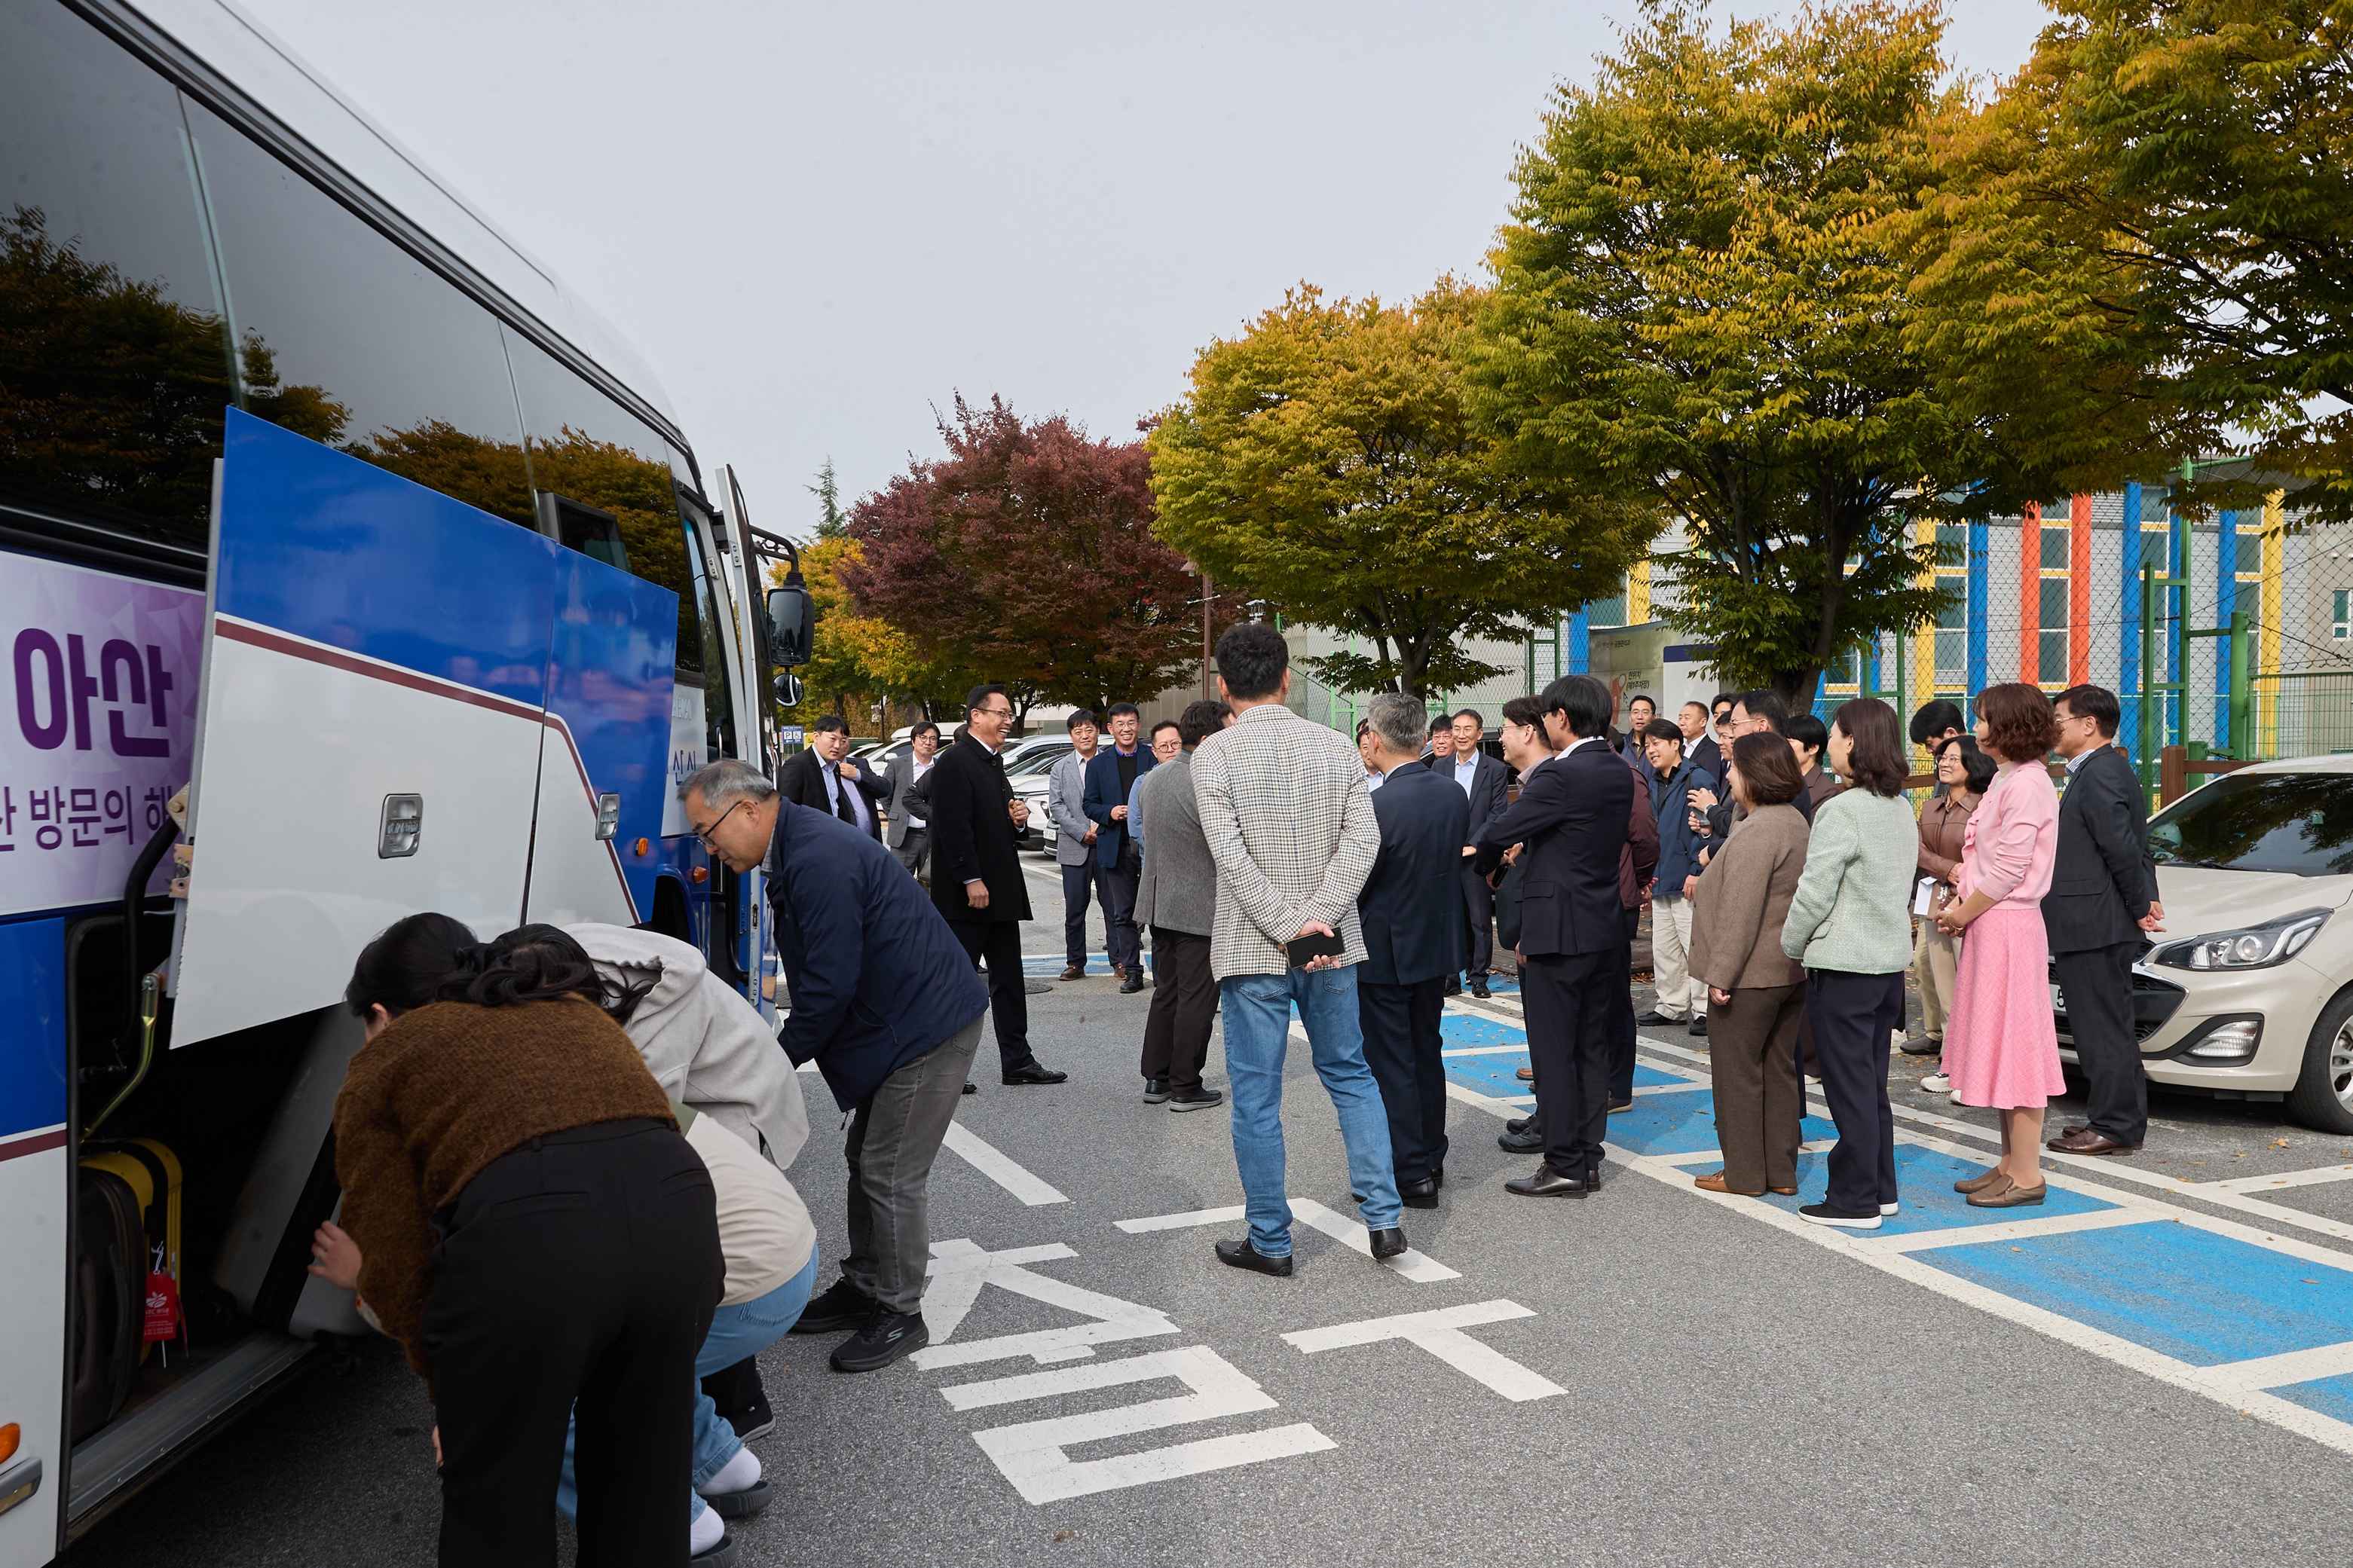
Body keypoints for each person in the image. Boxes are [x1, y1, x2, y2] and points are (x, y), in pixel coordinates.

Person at [330, 913, 724, 1566]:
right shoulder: (568, 1009)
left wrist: (447, 1390)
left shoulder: (390, 1056)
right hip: (680, 1224)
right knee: (642, 1494)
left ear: (380, 1012)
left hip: (534, 1245)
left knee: (499, 1514)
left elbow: (392, 1252)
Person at [683, 759, 992, 1373]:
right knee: (866, 1160)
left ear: (747, 809)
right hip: (898, 1019)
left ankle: (900, 1311)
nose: (709, 848)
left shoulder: (817, 856)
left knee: (890, 1169)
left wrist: (764, 1065)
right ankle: (866, 1285)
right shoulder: (796, 843)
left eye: (707, 831)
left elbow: (828, 987)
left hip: (928, 1024)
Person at [1191, 622, 1406, 1273]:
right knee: (1350, 1072)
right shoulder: (1337, 746)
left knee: (1257, 1095)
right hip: (1333, 942)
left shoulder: (1214, 755)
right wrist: (1318, 917)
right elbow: (1363, 841)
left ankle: (1271, 1240)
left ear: (1223, 685)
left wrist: (1287, 924)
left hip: (1255, 946)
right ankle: (1385, 1218)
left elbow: (1230, 857)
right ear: (1286, 678)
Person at [556, 921, 809, 1443]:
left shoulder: (662, 1000)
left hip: (735, 1100)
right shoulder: (586, 964)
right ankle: (715, 1426)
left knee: (714, 1257)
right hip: (712, 1096)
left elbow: (638, 1125)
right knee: (705, 1264)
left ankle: (738, 1407)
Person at [1475, 674, 1631, 1197]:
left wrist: (1491, 856)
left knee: (1553, 1050)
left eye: (1546, 715)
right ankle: (1586, 1155)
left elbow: (1500, 830)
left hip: (1557, 930)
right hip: (1601, 925)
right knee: (1590, 1046)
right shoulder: (1614, 766)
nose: (1543, 724)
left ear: (1561, 717)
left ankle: (1563, 1160)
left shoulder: (1561, 775)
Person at [1780, 698, 1918, 1231]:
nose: (1832, 741)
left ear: (1853, 743)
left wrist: (1792, 943)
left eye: (1837, 734)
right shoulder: (1899, 805)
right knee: (1870, 1083)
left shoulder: (1840, 809)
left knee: (1847, 1086)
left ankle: (1856, 1197)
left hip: (1844, 966)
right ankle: (1881, 1187)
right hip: (1885, 966)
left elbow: (1815, 891)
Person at [1935, 684, 2067, 1206]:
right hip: (1994, 923)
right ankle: (2011, 1162)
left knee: (2019, 1046)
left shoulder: (2028, 783)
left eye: (1985, 719)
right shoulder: (2010, 778)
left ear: (2010, 724)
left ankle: (2028, 1173)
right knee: (2001, 1042)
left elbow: (2012, 867)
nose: (1977, 729)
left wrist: (1962, 912)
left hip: (2008, 925)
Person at [1356, 692, 1470, 1207]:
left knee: (1391, 1061)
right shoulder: (1452, 795)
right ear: (1424, 738)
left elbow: (1359, 881)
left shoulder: (1376, 805)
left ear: (1375, 740)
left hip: (1384, 947)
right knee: (1427, 1050)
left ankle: (1410, 1170)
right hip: (1436, 940)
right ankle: (1431, 1155)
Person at [1685, 735, 1812, 1197]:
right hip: (1787, 969)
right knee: (1778, 1070)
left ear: (1753, 775)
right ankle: (1780, 1171)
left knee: (1737, 1075)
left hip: (1751, 974)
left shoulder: (1760, 831)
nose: (1728, 778)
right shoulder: (1793, 821)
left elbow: (1741, 910)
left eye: (1734, 770)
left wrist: (1721, 973)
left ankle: (1742, 1172)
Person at [926, 687, 1070, 1084]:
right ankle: (943, 1069)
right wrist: (970, 877)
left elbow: (996, 822)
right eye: (1001, 713)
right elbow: (953, 829)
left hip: (1000, 891)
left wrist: (1018, 819)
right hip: (967, 895)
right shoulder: (955, 761)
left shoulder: (993, 763)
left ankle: (1017, 1061)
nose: (1008, 720)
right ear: (975, 715)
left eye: (1009, 714)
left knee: (1008, 979)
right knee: (957, 983)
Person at [2044, 684, 2164, 1155]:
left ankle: (2116, 1125)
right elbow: (2137, 843)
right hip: (2094, 920)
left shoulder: (2101, 773)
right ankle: (2112, 1118)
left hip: (2095, 924)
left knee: (2102, 1029)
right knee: (2103, 1026)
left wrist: (2140, 906)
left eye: (2061, 719)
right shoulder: (2100, 771)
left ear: (2088, 724)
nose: (2054, 728)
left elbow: (2123, 847)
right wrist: (2146, 898)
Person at [1133, 701, 1230, 1112]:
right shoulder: (1205, 776)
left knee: (1166, 991)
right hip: (1198, 902)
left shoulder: (1154, 778)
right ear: (1208, 737)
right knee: (1197, 997)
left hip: (1158, 898)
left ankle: (1158, 1076)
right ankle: (1186, 1083)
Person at [1905, 738, 1993, 1062]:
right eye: (1943, 757)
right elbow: (1916, 849)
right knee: (1939, 977)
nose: (1944, 763)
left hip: (1971, 902)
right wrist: (1948, 868)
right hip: (1935, 898)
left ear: (1973, 763)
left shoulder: (1984, 806)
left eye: (1954, 758)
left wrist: (1962, 874)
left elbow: (1987, 854)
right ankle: (1950, 1051)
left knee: (1969, 979)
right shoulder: (1930, 806)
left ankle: (1973, 1053)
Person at [1639, 717, 1716, 1038]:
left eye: (1657, 744)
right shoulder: (1651, 779)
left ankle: (1704, 1009)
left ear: (1675, 744)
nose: (1651, 751)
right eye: (1647, 746)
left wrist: (1696, 872)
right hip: (1661, 876)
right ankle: (1671, 1005)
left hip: (1687, 876)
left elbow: (1707, 829)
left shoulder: (1697, 778)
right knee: (1665, 948)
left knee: (1694, 946)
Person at [1085, 701, 1153, 991]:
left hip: (1151, 846)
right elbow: (1089, 804)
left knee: (1155, 912)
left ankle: (1162, 971)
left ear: (1138, 725)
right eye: (1120, 725)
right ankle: (1132, 970)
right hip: (1115, 843)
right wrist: (1110, 813)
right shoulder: (1099, 764)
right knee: (1122, 912)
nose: (1126, 730)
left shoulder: (1152, 759)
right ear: (1110, 729)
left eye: (1131, 723)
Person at [1444, 708, 1510, 999]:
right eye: (1456, 729)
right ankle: (1451, 976)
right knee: (1450, 918)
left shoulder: (1494, 769)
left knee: (1480, 920)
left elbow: (1497, 814)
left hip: (1477, 857)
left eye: (1467, 729)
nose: (1461, 735)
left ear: (1479, 734)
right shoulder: (1440, 767)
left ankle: (1479, 976)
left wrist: (1475, 845)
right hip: (1446, 856)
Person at [1046, 710, 1105, 981]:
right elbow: (1057, 806)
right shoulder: (1060, 768)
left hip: (1107, 842)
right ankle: (1075, 962)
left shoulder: (1108, 762)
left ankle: (1120, 961)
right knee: (1075, 910)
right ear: (1071, 736)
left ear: (1097, 731)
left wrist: (1099, 826)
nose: (1085, 735)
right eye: (1078, 731)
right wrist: (1082, 832)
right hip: (1073, 846)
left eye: (1089, 729)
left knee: (1114, 907)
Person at [779, 714, 887, 841]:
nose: (837, 746)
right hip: (810, 843)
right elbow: (786, 812)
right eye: (832, 739)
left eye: (842, 741)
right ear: (816, 737)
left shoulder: (834, 767)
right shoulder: (798, 765)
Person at [883, 720, 942, 880]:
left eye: (933, 738)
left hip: (932, 835)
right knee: (898, 881)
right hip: (904, 835)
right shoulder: (897, 765)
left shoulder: (942, 767)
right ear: (913, 741)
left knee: (931, 882)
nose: (928, 742)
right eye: (923, 738)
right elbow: (885, 795)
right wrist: (895, 815)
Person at [1787, 712, 1843, 812]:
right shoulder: (1780, 782)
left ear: (1813, 748)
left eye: (1789, 742)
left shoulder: (1828, 792)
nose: (1783, 747)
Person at [1911, 698, 1967, 789]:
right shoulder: (1944, 766)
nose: (1928, 751)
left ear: (1951, 734)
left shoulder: (1979, 768)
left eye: (1929, 743)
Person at [1683, 699, 1722, 781]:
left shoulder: (1714, 750)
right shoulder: (1679, 749)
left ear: (1703, 722)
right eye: (1680, 718)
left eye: (1687, 718)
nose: (1682, 722)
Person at [1622, 695, 1657, 762]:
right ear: (1630, 717)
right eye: (1635, 712)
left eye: (1645, 712)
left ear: (1654, 718)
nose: (1640, 717)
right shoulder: (1621, 745)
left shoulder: (1659, 747)